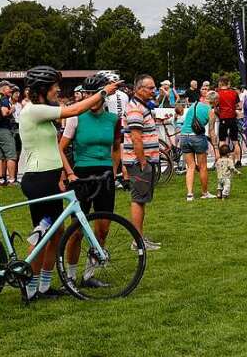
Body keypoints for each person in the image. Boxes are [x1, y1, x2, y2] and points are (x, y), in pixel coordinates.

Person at [19, 66, 121, 300]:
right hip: (39, 178)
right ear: (43, 89)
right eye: (55, 86)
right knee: (42, 236)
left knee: (57, 233)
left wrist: (61, 175)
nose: (58, 90)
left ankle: (43, 286)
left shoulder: (40, 110)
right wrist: (103, 92)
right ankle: (29, 288)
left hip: (48, 177)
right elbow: (74, 109)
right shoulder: (33, 110)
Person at [59, 73, 123, 288]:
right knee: (76, 230)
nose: (92, 100)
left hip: (104, 175)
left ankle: (88, 275)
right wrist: (67, 174)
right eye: (88, 95)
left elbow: (116, 146)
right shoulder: (75, 117)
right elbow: (61, 148)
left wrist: (114, 170)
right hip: (82, 174)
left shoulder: (113, 119)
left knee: (103, 229)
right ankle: (70, 275)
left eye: (95, 95)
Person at [121, 74, 164, 249]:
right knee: (138, 199)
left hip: (142, 161)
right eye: (151, 88)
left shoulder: (141, 106)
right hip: (139, 163)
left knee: (141, 199)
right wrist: (143, 162)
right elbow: (136, 138)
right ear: (140, 89)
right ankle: (137, 241)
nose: (154, 91)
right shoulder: (135, 109)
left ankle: (139, 238)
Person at [178, 89, 218, 199]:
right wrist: (216, 147)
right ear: (215, 101)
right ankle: (205, 193)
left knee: (190, 166)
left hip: (184, 136)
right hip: (198, 138)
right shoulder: (211, 112)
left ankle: (189, 194)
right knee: (203, 167)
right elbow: (211, 131)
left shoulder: (194, 105)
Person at [215, 77, 242, 166]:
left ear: (221, 83)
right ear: (228, 84)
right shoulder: (234, 93)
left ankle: (222, 160)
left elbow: (216, 108)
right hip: (232, 118)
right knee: (235, 141)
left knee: (222, 140)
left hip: (223, 118)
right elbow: (239, 105)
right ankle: (238, 161)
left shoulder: (218, 94)